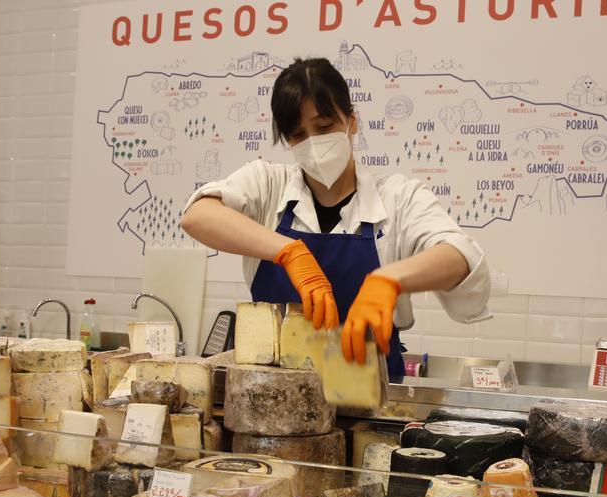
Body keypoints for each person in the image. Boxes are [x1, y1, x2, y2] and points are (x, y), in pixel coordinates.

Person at [181, 57, 490, 382]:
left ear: (352, 121)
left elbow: (462, 258)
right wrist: (289, 252)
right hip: (275, 407)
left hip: (371, 409)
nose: (314, 143)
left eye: (325, 127)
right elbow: (197, 216)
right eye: (299, 135)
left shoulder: (399, 197)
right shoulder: (267, 185)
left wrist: (390, 279)